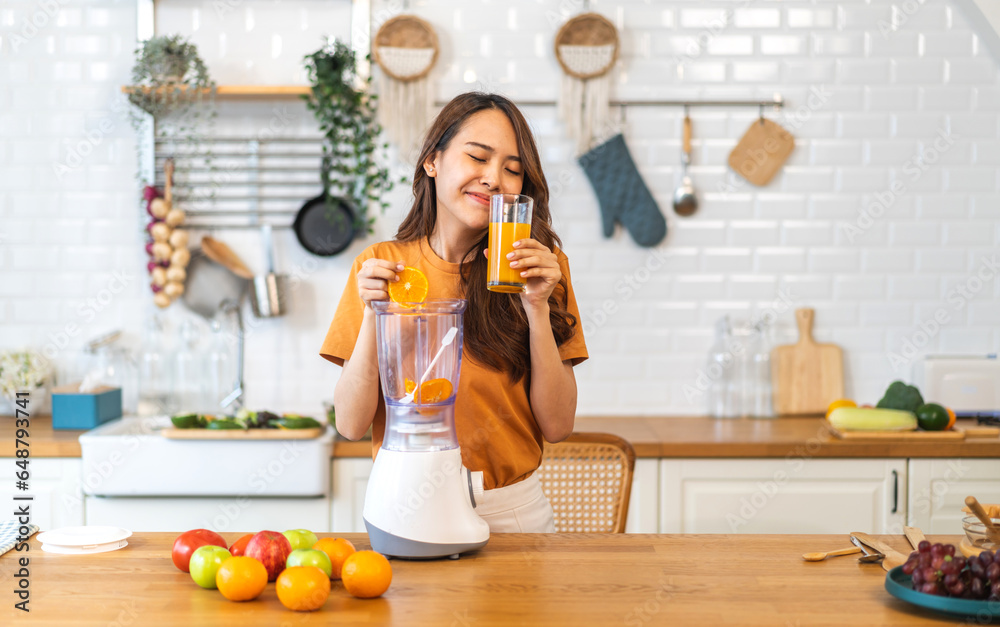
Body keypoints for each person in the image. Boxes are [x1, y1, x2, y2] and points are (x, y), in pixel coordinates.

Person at [320, 92, 588, 533]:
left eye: (512, 170)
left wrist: (537, 307)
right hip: (408, 505)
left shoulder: (540, 268)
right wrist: (375, 315)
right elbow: (350, 424)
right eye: (478, 158)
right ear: (433, 161)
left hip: (512, 512)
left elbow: (558, 425)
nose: (494, 179)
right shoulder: (381, 267)